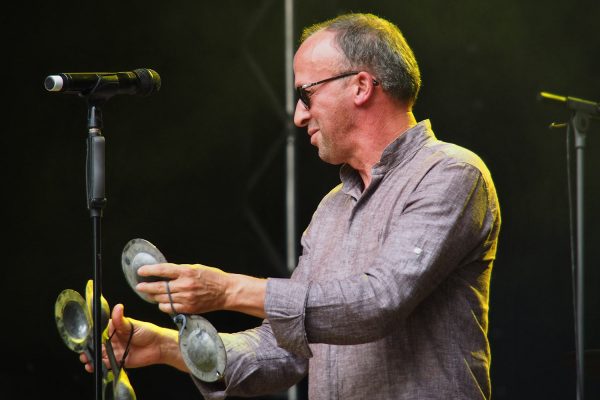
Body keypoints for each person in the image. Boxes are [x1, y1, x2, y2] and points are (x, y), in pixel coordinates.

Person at [81, 12, 500, 399]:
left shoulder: (450, 174)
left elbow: (380, 300)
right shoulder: (331, 208)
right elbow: (285, 349)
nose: (299, 115)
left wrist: (229, 289)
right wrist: (167, 346)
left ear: (360, 85)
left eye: (306, 93)